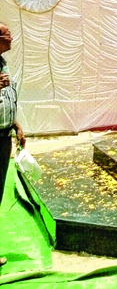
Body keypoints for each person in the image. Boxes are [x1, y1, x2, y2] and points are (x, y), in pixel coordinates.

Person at [0, 23, 26, 267]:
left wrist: (16, 125)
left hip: (3, 136)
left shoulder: (3, 64)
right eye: (7, 35)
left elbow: (6, 100)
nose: (12, 38)